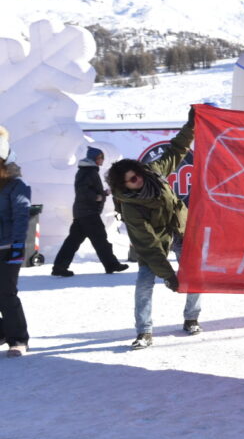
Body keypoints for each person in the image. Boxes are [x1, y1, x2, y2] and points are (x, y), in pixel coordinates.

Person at [106, 109, 201, 349]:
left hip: (179, 227)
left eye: (137, 174)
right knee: (145, 283)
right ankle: (144, 332)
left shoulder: (153, 173)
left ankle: (192, 317)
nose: (138, 179)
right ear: (124, 185)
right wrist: (170, 277)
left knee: (194, 274)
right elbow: (149, 246)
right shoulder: (131, 208)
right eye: (132, 179)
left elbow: (177, 149)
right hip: (155, 240)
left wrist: (192, 124)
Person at [51, 147, 130, 277]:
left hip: (83, 212)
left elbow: (87, 190)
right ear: (95, 158)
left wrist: (104, 193)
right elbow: (83, 191)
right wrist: (96, 197)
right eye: (101, 157)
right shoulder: (88, 172)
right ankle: (111, 264)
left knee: (72, 242)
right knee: (100, 239)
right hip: (88, 212)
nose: (102, 160)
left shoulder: (87, 171)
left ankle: (59, 267)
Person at [0, 126, 31, 357]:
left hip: (8, 247)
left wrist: (18, 247)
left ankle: (18, 339)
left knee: (5, 293)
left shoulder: (17, 186)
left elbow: (22, 216)